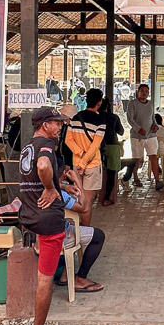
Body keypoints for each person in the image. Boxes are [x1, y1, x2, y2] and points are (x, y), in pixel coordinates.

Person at [19, 106, 70, 325]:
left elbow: (34, 175)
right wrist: (51, 190)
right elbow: (42, 167)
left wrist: (59, 186)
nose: (59, 127)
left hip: (29, 214)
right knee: (45, 279)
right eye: (56, 123)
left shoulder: (28, 145)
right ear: (44, 125)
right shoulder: (47, 146)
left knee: (43, 273)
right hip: (48, 219)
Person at [53, 184, 105, 294]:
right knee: (98, 236)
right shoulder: (59, 194)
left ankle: (65, 275)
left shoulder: (35, 190)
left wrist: (63, 186)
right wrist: (76, 179)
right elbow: (84, 208)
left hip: (40, 238)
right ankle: (80, 278)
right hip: (58, 238)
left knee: (77, 227)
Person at [64, 88, 106, 225]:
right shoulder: (100, 121)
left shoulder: (76, 118)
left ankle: (75, 229)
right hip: (92, 165)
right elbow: (95, 147)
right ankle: (85, 232)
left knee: (77, 199)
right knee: (86, 203)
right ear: (99, 103)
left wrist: (80, 156)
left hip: (76, 165)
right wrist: (84, 162)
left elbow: (68, 140)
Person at [126, 83, 162, 189]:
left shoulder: (150, 104)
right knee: (137, 159)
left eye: (146, 91)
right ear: (138, 92)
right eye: (142, 91)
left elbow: (153, 118)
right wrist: (138, 129)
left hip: (151, 135)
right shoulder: (132, 104)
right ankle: (135, 178)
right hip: (136, 136)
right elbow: (130, 119)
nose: (144, 93)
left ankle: (157, 180)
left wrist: (156, 126)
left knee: (153, 157)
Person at [99, 100, 124, 206]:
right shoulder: (114, 117)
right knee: (111, 173)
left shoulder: (96, 117)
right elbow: (121, 132)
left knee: (97, 173)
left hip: (98, 146)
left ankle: (95, 196)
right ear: (108, 106)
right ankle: (107, 198)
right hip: (113, 146)